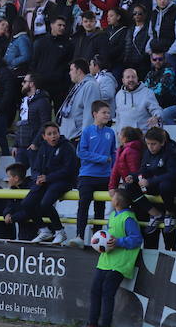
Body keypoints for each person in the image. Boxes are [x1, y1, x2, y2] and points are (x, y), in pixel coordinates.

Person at [87, 189, 142, 327]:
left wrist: (119, 242)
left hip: (120, 263)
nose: (111, 198)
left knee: (107, 292)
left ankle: (105, 324)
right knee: (95, 290)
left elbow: (136, 239)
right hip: (105, 261)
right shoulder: (112, 215)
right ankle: (92, 323)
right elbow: (107, 237)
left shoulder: (128, 218)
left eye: (114, 197)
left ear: (117, 201)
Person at [17, 122, 77, 246]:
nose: (53, 136)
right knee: (26, 203)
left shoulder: (67, 147)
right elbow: (36, 167)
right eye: (49, 134)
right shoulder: (43, 147)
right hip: (46, 181)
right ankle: (44, 230)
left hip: (63, 181)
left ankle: (60, 231)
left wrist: (47, 178)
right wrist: (37, 178)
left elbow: (69, 170)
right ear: (44, 137)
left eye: (55, 133)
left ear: (59, 133)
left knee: (45, 204)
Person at [69, 101, 117, 248]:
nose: (107, 115)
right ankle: (79, 236)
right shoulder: (87, 131)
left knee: (100, 208)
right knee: (83, 205)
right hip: (87, 175)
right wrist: (103, 159)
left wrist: (114, 170)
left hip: (105, 176)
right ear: (94, 114)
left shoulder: (111, 132)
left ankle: (98, 238)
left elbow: (113, 153)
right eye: (104, 113)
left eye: (108, 113)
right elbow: (81, 152)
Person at [124, 127, 176, 237]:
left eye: (153, 144)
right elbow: (143, 170)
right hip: (154, 184)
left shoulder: (172, 153)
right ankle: (155, 214)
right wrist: (133, 177)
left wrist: (150, 181)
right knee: (129, 186)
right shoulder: (147, 153)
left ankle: (170, 213)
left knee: (165, 185)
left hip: (173, 186)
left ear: (162, 142)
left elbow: (174, 174)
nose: (150, 147)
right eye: (148, 144)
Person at [11, 74, 52, 169]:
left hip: (34, 147)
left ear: (32, 84)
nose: (22, 84)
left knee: (36, 175)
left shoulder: (42, 101)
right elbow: (20, 124)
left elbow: (45, 124)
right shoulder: (24, 101)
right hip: (21, 147)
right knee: (18, 176)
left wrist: (35, 143)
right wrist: (15, 145)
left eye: (25, 82)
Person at [57, 59, 101, 141]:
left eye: (71, 70)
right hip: (69, 136)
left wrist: (86, 138)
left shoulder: (90, 86)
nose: (70, 73)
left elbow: (90, 114)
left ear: (79, 71)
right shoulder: (78, 85)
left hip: (78, 138)